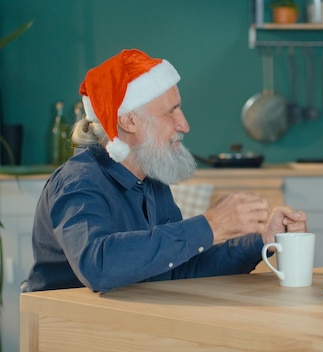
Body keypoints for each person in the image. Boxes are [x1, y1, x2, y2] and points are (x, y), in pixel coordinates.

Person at [24, 49, 307, 293]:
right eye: (171, 111)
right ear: (129, 121)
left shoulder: (152, 180)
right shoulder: (78, 181)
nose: (184, 125)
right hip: (69, 332)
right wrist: (210, 225)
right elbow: (99, 266)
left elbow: (179, 272)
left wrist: (260, 242)